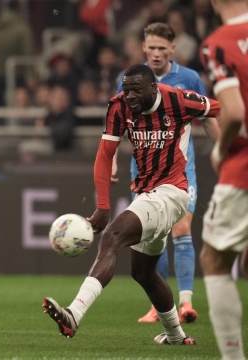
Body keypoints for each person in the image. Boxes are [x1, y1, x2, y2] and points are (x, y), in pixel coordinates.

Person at [42, 64, 220, 345]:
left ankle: (74, 314)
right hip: (147, 195)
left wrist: (227, 148)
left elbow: (218, 108)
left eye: (137, 90)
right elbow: (104, 155)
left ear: (153, 87)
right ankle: (176, 336)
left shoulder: (179, 99)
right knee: (143, 272)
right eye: (127, 90)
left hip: (173, 192)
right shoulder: (119, 107)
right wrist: (102, 205)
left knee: (113, 236)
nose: (131, 96)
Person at [113, 22, 219, 324]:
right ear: (144, 47)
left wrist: (223, 150)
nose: (157, 53)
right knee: (150, 239)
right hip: (143, 174)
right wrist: (111, 160)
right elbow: (117, 122)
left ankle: (186, 303)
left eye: (163, 48)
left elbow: (209, 114)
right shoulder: (132, 79)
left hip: (182, 172)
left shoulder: (189, 78)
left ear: (173, 49)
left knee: (181, 229)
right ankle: (159, 308)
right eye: (152, 48)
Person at [199, 0, 248, 358]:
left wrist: (220, 151)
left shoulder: (219, 41)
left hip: (243, 168)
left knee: (215, 260)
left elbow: (233, 112)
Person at [0, 0, 33, 106]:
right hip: (15, 73)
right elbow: (28, 54)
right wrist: (32, 74)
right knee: (18, 105)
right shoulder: (22, 29)